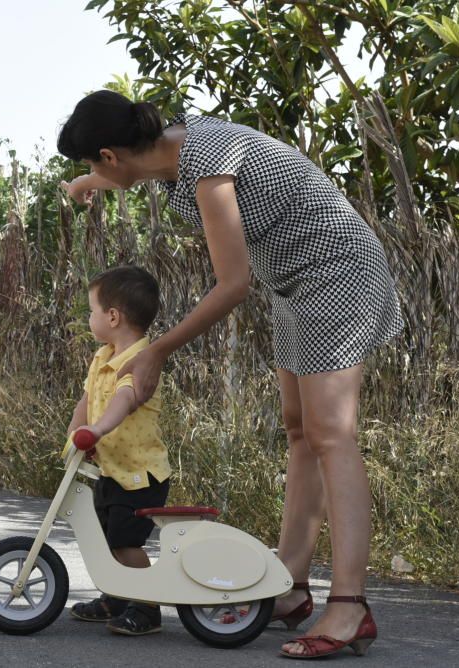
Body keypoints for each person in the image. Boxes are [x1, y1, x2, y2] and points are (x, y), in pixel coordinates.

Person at [57, 90, 403, 659]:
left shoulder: (206, 172)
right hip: (294, 284)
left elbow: (232, 284)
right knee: (300, 431)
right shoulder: (172, 150)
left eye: (92, 165)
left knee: (331, 435)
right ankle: (289, 586)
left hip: (337, 270)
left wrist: (157, 350)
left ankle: (349, 606)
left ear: (111, 154)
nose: (93, 175)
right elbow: (120, 172)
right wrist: (84, 185)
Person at [65, 265, 172, 637]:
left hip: (140, 475)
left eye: (91, 310)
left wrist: (95, 430)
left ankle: (148, 608)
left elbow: (122, 402)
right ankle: (117, 597)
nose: (89, 318)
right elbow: (90, 396)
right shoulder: (103, 356)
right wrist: (76, 428)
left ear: (113, 316)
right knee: (106, 539)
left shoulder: (138, 361)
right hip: (112, 470)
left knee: (125, 544)